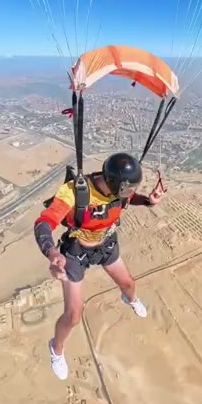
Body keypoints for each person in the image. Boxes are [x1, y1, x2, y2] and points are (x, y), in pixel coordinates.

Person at [33, 151, 165, 380]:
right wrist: (51, 251)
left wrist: (148, 201)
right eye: (127, 189)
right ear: (114, 183)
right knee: (74, 314)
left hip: (106, 244)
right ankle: (56, 349)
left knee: (128, 284)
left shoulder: (120, 191)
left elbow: (129, 198)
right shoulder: (75, 192)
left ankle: (130, 299)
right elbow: (44, 222)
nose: (129, 194)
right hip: (76, 252)